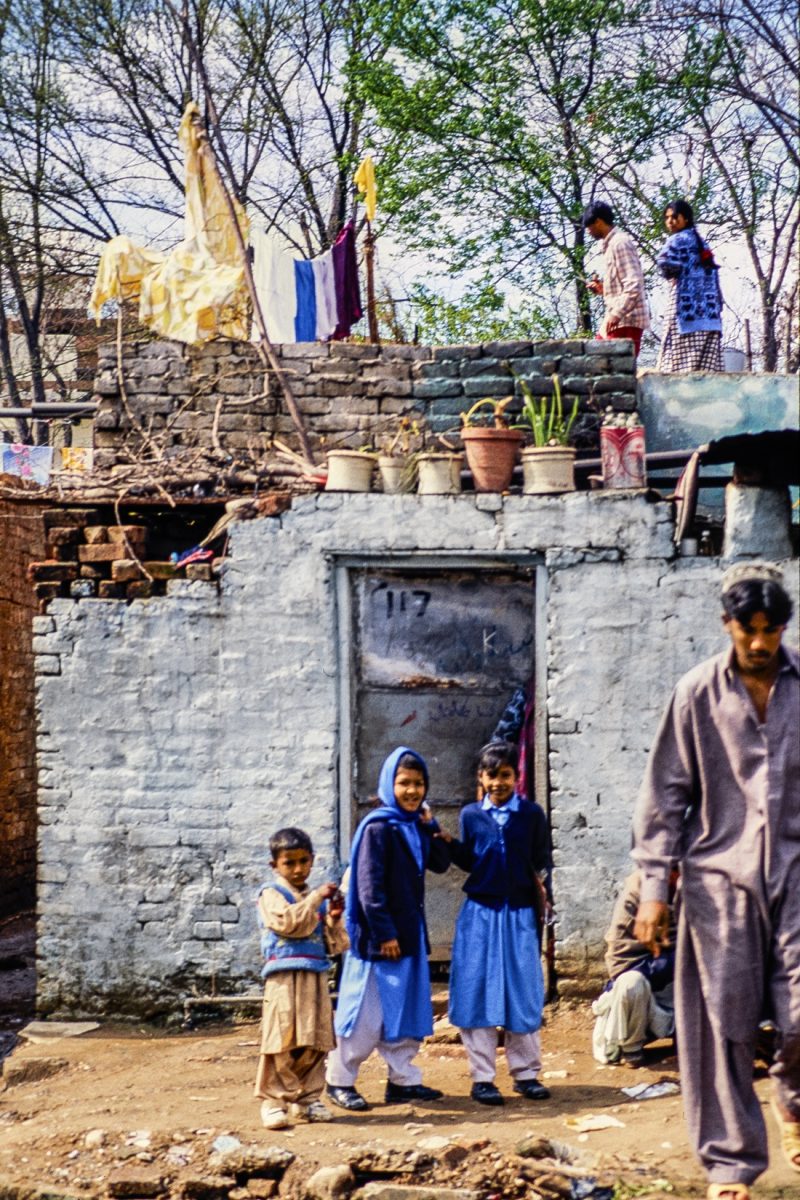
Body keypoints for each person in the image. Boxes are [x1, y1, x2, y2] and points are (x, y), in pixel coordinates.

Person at [632, 562, 799, 1199]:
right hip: (718, 884)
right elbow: (665, 795)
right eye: (747, 630)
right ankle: (730, 1166)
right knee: (721, 1028)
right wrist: (653, 891)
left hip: (799, 877)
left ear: (783, 628)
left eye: (771, 630)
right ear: (727, 625)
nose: (759, 644)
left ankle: (796, 1108)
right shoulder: (696, 693)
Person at [325, 746, 450, 1111]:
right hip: (381, 942)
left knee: (406, 1012)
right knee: (365, 1013)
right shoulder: (378, 828)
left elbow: (441, 863)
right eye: (404, 783)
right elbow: (368, 887)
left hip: (409, 936)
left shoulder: (413, 826)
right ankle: (340, 1080)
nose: (412, 791)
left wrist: (431, 824)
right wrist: (385, 934)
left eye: (419, 783)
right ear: (388, 784)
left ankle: (403, 1081)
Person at [443, 740, 551, 1106]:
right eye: (491, 775)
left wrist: (541, 907)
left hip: (519, 915)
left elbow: (540, 862)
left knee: (522, 991)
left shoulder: (532, 815)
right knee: (476, 991)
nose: (498, 783)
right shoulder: (471, 815)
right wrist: (449, 844)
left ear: (516, 778)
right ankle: (483, 1078)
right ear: (480, 777)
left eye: (505, 775)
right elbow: (472, 861)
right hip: (480, 915)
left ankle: (526, 1074)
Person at [254, 826, 348, 1130]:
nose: (297, 869)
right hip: (283, 978)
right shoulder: (271, 894)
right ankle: (273, 1100)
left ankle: (307, 1099)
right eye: (289, 863)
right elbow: (289, 923)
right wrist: (316, 900)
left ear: (312, 860)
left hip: (315, 976)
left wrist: (333, 917)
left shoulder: (315, 899)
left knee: (314, 1037)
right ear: (275, 866)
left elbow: (335, 943)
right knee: (281, 1037)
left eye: (303, 862)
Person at [592, 868, 677, 1068]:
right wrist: (672, 960)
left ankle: (689, 1040)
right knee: (631, 983)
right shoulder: (636, 896)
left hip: (674, 989)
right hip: (641, 990)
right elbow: (619, 963)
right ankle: (630, 1047)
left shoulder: (693, 890)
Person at [656, 199, 723, 372]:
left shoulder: (677, 240)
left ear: (686, 219)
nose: (670, 221)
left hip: (685, 318)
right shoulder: (702, 244)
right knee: (705, 374)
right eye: (667, 218)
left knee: (676, 371)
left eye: (674, 217)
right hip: (710, 318)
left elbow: (663, 262)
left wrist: (675, 273)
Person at [582, 199, 649, 356]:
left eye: (589, 227)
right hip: (616, 320)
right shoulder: (611, 245)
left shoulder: (620, 243)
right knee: (596, 363)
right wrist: (602, 289)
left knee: (611, 370)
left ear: (598, 222)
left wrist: (616, 314)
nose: (589, 232)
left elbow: (634, 284)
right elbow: (622, 285)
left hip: (626, 320)